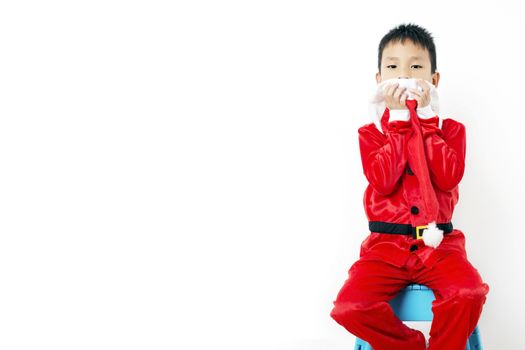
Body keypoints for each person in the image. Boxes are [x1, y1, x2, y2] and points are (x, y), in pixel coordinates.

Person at [329, 23, 490, 350]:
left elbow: (447, 177)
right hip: (384, 249)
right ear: (379, 81)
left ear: (433, 80)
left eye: (415, 66)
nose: (403, 76)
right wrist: (400, 123)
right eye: (393, 67)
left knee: (469, 293)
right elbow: (383, 181)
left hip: (439, 246)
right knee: (349, 307)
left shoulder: (451, 130)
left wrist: (426, 121)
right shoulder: (371, 134)